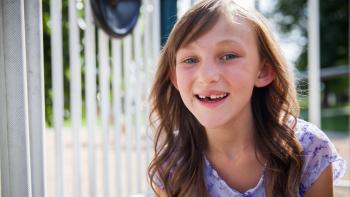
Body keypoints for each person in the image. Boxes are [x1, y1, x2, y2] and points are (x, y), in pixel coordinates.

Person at [147, 0, 346, 196]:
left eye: (228, 56)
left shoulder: (309, 149)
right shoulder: (171, 167)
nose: (207, 75)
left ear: (263, 71)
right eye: (190, 60)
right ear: (175, 78)